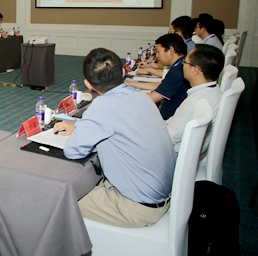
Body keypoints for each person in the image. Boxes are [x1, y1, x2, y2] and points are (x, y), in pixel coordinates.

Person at [56, 48, 175, 227]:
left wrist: (81, 130)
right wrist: (80, 128)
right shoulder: (141, 96)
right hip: (158, 195)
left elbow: (73, 151)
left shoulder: (103, 105)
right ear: (123, 72)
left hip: (135, 207)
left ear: (88, 84)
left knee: (58, 201)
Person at [166, 44, 224, 154]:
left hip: (174, 153)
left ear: (195, 70)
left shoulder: (197, 101)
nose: (182, 65)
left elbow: (169, 136)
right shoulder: (214, 92)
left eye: (184, 62)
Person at [126, 33, 189, 120]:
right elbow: (163, 85)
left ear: (171, 50)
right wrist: (130, 83)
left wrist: (124, 97)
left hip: (168, 119)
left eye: (158, 52)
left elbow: (153, 98)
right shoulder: (180, 65)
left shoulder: (178, 71)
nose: (157, 56)